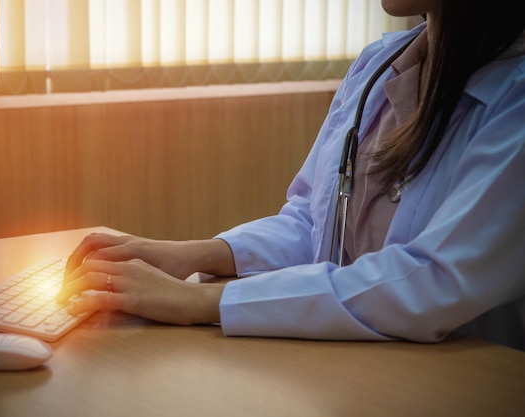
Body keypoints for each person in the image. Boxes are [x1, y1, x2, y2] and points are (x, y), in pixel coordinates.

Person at [56, 0, 525, 350]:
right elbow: (312, 221)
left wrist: (196, 303)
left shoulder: (515, 100)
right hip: (359, 367)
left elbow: (430, 283)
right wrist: (192, 254)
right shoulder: (377, 66)